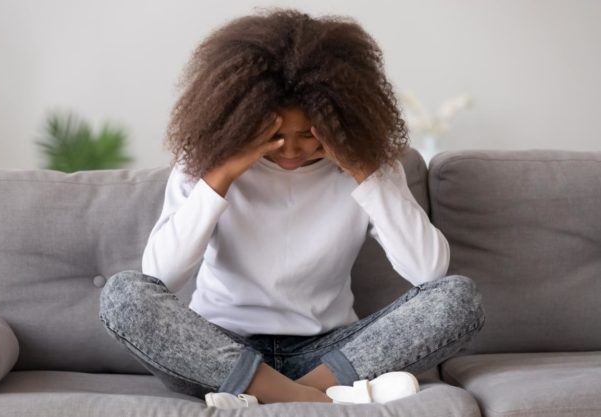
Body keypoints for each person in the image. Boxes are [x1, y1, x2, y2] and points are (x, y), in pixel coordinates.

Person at [98, 7, 486, 409]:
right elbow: (160, 276)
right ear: (242, 118)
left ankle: (274, 395)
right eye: (275, 135)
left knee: (459, 297)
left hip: (331, 354)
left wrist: (362, 172)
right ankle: (311, 400)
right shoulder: (205, 163)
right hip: (220, 350)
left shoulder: (371, 167)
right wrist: (222, 177)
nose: (292, 149)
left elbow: (429, 271)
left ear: (341, 120)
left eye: (309, 135)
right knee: (124, 295)